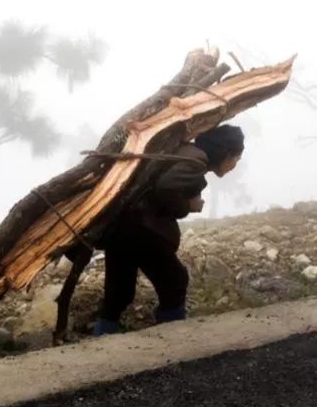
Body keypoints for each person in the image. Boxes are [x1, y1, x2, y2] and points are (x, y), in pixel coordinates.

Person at [92, 124, 245, 336]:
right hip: (140, 229)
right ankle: (172, 343)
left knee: (118, 293)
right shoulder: (196, 161)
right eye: (236, 158)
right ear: (227, 153)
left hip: (120, 226)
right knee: (175, 281)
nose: (235, 165)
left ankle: (100, 346)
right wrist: (188, 206)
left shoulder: (185, 152)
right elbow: (165, 188)